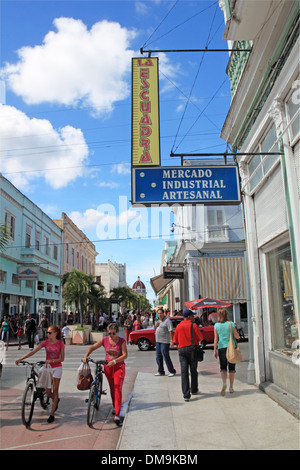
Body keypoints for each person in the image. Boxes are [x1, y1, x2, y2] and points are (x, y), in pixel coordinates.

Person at [16, 325, 65, 423]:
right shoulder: (45, 343)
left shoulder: (60, 344)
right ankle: (56, 399)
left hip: (57, 367)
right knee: (47, 391)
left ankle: (52, 414)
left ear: (55, 333)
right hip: (47, 367)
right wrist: (21, 359)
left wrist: (52, 360)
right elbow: (33, 351)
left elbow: (62, 358)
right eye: (47, 332)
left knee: (55, 389)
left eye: (50, 333)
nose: (48, 334)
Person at [82, 322, 128, 426]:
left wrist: (115, 361)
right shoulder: (105, 340)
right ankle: (115, 406)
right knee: (112, 387)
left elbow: (125, 355)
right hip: (108, 367)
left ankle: (117, 413)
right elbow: (93, 347)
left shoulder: (122, 341)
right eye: (109, 333)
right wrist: (86, 355)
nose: (111, 335)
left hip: (118, 367)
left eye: (113, 333)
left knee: (117, 388)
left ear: (117, 332)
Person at [173, 309, 203, 401]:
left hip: (182, 350)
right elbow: (200, 338)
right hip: (192, 349)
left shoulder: (178, 326)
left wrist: (179, 349)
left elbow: (175, 341)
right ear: (189, 316)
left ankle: (186, 395)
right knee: (193, 370)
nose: (193, 318)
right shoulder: (193, 325)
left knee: (184, 372)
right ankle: (194, 389)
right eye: (192, 316)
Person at [214, 308, 240, 396]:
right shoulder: (231, 324)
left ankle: (224, 383)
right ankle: (231, 387)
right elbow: (237, 336)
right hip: (231, 347)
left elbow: (215, 339)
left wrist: (215, 350)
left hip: (221, 348)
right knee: (232, 368)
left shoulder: (216, 325)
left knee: (223, 367)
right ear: (227, 315)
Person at [154, 309, 176, 377]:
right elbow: (155, 329)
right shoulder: (158, 321)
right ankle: (160, 371)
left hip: (165, 341)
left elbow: (170, 330)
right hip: (158, 341)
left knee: (165, 356)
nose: (159, 315)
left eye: (161, 313)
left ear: (164, 313)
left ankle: (172, 371)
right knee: (158, 357)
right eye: (158, 313)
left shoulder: (167, 321)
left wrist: (171, 341)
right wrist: (156, 325)